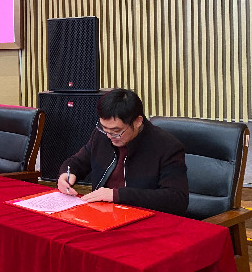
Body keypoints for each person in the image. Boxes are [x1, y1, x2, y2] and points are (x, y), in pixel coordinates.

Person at [57, 88, 188, 216]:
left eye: (116, 131)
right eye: (104, 128)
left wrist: (117, 195)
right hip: (102, 215)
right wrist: (67, 174)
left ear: (137, 121)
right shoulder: (102, 135)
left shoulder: (167, 146)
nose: (109, 136)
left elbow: (177, 199)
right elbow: (78, 161)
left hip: (144, 219)